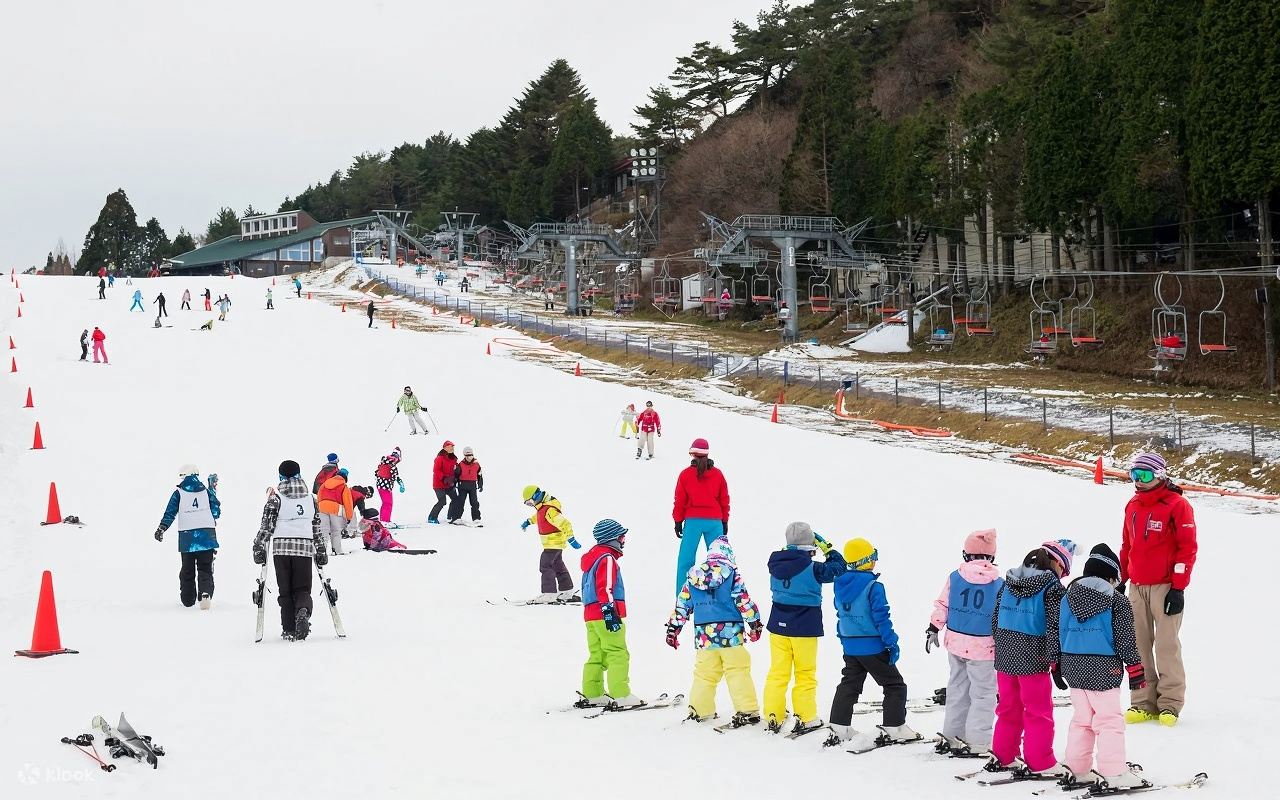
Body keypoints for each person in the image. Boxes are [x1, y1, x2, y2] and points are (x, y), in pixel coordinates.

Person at [1052, 544, 1147, 791]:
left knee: (1082, 720)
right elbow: (1125, 637)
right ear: (1111, 577)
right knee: (1109, 721)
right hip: (1104, 668)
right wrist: (1135, 668)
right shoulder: (1118, 601)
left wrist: (1056, 663)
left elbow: (1057, 631)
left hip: (1072, 665)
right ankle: (1114, 773)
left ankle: (1077, 767)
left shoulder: (1067, 597)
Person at [985, 540, 1077, 779]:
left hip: (1005, 654)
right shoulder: (1052, 589)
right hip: (1033, 656)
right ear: (1056, 562)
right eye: (1064, 570)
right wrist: (1055, 660)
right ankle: (1040, 761)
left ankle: (1003, 755)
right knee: (1038, 711)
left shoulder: (1009, 583)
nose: (1063, 575)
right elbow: (1056, 627)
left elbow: (995, 618)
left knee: (1008, 708)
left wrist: (1002, 644)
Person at [1119, 452, 1197, 727]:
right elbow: (1127, 546)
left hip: (1165, 586)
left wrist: (1178, 587)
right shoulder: (1133, 505)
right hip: (1137, 587)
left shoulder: (1177, 505)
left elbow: (1187, 549)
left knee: (1166, 645)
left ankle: (1170, 704)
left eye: (1145, 475)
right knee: (1137, 645)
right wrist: (1122, 578)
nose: (1139, 481)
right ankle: (1142, 702)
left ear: (1160, 475)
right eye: (1134, 474)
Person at [825, 538, 918, 749]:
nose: (875, 561)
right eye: (873, 557)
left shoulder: (840, 584)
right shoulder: (874, 586)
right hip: (873, 646)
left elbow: (842, 613)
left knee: (849, 683)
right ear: (866, 561)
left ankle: (839, 726)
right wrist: (891, 642)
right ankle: (894, 727)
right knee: (894, 685)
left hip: (850, 645)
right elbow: (881, 618)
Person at [665, 534, 763, 725]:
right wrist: (755, 623)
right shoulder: (732, 572)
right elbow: (742, 600)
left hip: (704, 636)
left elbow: (682, 604)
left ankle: (700, 710)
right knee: (737, 671)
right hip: (730, 634)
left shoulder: (693, 576)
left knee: (705, 673)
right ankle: (747, 710)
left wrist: (673, 629)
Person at [764, 522, 846, 735]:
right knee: (805, 673)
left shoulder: (775, 564)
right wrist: (827, 548)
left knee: (777, 672)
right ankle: (806, 717)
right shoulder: (814, 568)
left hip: (778, 626)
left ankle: (774, 715)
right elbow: (839, 568)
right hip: (804, 627)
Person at [927, 529, 1003, 757]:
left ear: (966, 554)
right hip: (984, 647)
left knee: (957, 689)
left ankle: (952, 735)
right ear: (991, 557)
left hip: (956, 642)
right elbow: (1002, 616)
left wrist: (933, 627)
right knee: (983, 694)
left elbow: (943, 604)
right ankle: (979, 741)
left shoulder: (955, 577)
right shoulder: (999, 583)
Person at [252, 460, 326, 641]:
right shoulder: (311, 499)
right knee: (302, 588)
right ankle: (303, 610)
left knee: (285, 590)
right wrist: (321, 548)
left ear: (281, 476)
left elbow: (266, 526)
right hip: (304, 548)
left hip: (281, 550)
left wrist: (258, 545)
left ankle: (289, 629)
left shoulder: (276, 499)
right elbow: (316, 526)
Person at [578, 519, 641, 708]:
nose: (624, 540)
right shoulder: (607, 558)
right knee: (617, 653)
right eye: (622, 536)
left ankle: (593, 693)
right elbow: (605, 586)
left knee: (597, 654)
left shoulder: (592, 559)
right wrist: (609, 611)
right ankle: (621, 695)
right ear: (612, 539)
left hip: (590, 616)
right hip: (606, 613)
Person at [153, 466, 221, 609]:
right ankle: (205, 593)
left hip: (187, 538)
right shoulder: (206, 491)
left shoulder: (178, 493)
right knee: (205, 568)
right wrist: (212, 490)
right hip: (207, 536)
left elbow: (170, 513)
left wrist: (161, 528)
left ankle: (188, 599)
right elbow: (216, 512)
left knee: (187, 569)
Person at [672, 437, 729, 594]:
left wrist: (678, 521)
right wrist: (724, 520)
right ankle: (721, 594)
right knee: (719, 560)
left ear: (692, 454)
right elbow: (724, 499)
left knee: (686, 560)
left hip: (693, 522)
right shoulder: (718, 474)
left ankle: (682, 596)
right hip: (715, 521)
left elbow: (680, 501)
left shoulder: (685, 475)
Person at [520, 485, 579, 603]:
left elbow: (565, 524)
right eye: (528, 504)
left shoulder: (550, 510)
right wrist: (528, 522)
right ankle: (566, 591)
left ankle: (549, 594)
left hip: (553, 544)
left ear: (536, 496)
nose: (531, 505)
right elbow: (538, 517)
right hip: (553, 544)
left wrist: (571, 538)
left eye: (530, 502)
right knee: (558, 566)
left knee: (545, 565)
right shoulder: (543, 508)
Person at [316, 467, 355, 556]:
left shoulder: (325, 484)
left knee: (324, 531)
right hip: (335, 509)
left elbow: (319, 496)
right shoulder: (344, 486)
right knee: (336, 531)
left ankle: (322, 551)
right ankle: (337, 550)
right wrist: (349, 517)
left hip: (321, 508)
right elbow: (348, 503)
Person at [449, 446, 483, 526]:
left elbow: (480, 475)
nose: (469, 457)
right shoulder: (461, 464)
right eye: (467, 455)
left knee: (474, 503)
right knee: (460, 502)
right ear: (464, 455)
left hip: (472, 486)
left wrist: (480, 484)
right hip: (462, 485)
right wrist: (454, 484)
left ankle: (476, 519)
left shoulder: (477, 464)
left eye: (470, 455)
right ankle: (457, 518)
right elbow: (456, 475)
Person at [429, 441, 459, 524]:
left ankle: (450, 516)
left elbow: (455, 468)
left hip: (449, 484)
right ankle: (432, 517)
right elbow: (436, 470)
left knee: (455, 499)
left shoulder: (454, 458)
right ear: (445, 448)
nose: (452, 448)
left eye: (453, 446)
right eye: (450, 446)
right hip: (439, 484)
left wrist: (456, 475)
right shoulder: (440, 458)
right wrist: (444, 478)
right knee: (442, 501)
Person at [373, 447, 403, 525]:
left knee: (385, 503)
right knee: (388, 503)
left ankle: (383, 520)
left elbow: (376, 472)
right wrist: (400, 483)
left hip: (379, 485)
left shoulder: (383, 462)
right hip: (386, 486)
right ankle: (385, 521)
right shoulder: (392, 464)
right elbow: (394, 477)